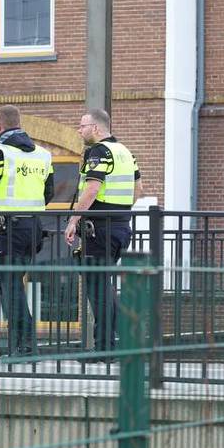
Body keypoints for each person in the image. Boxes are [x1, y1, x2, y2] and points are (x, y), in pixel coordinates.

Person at [0, 105, 54, 356]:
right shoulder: (43, 154)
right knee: (13, 284)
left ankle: (25, 345)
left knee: (10, 286)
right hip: (34, 228)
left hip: (8, 229)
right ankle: (21, 345)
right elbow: (48, 193)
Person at [64, 108, 142, 358]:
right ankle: (123, 340)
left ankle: (106, 348)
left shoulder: (99, 152)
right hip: (120, 227)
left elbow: (92, 189)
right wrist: (121, 211)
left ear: (96, 128)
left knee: (97, 288)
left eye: (82, 126)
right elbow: (138, 187)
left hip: (99, 229)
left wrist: (73, 220)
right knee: (103, 285)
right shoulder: (126, 152)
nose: (80, 130)